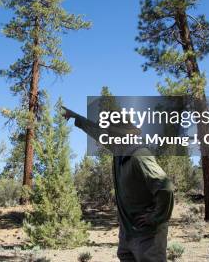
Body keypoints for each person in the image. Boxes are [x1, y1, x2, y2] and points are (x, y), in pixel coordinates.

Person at [62, 106, 174, 262]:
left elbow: (165, 187)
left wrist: (155, 218)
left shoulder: (139, 156)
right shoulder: (119, 151)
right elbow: (97, 132)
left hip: (147, 236)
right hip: (128, 233)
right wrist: (76, 118)